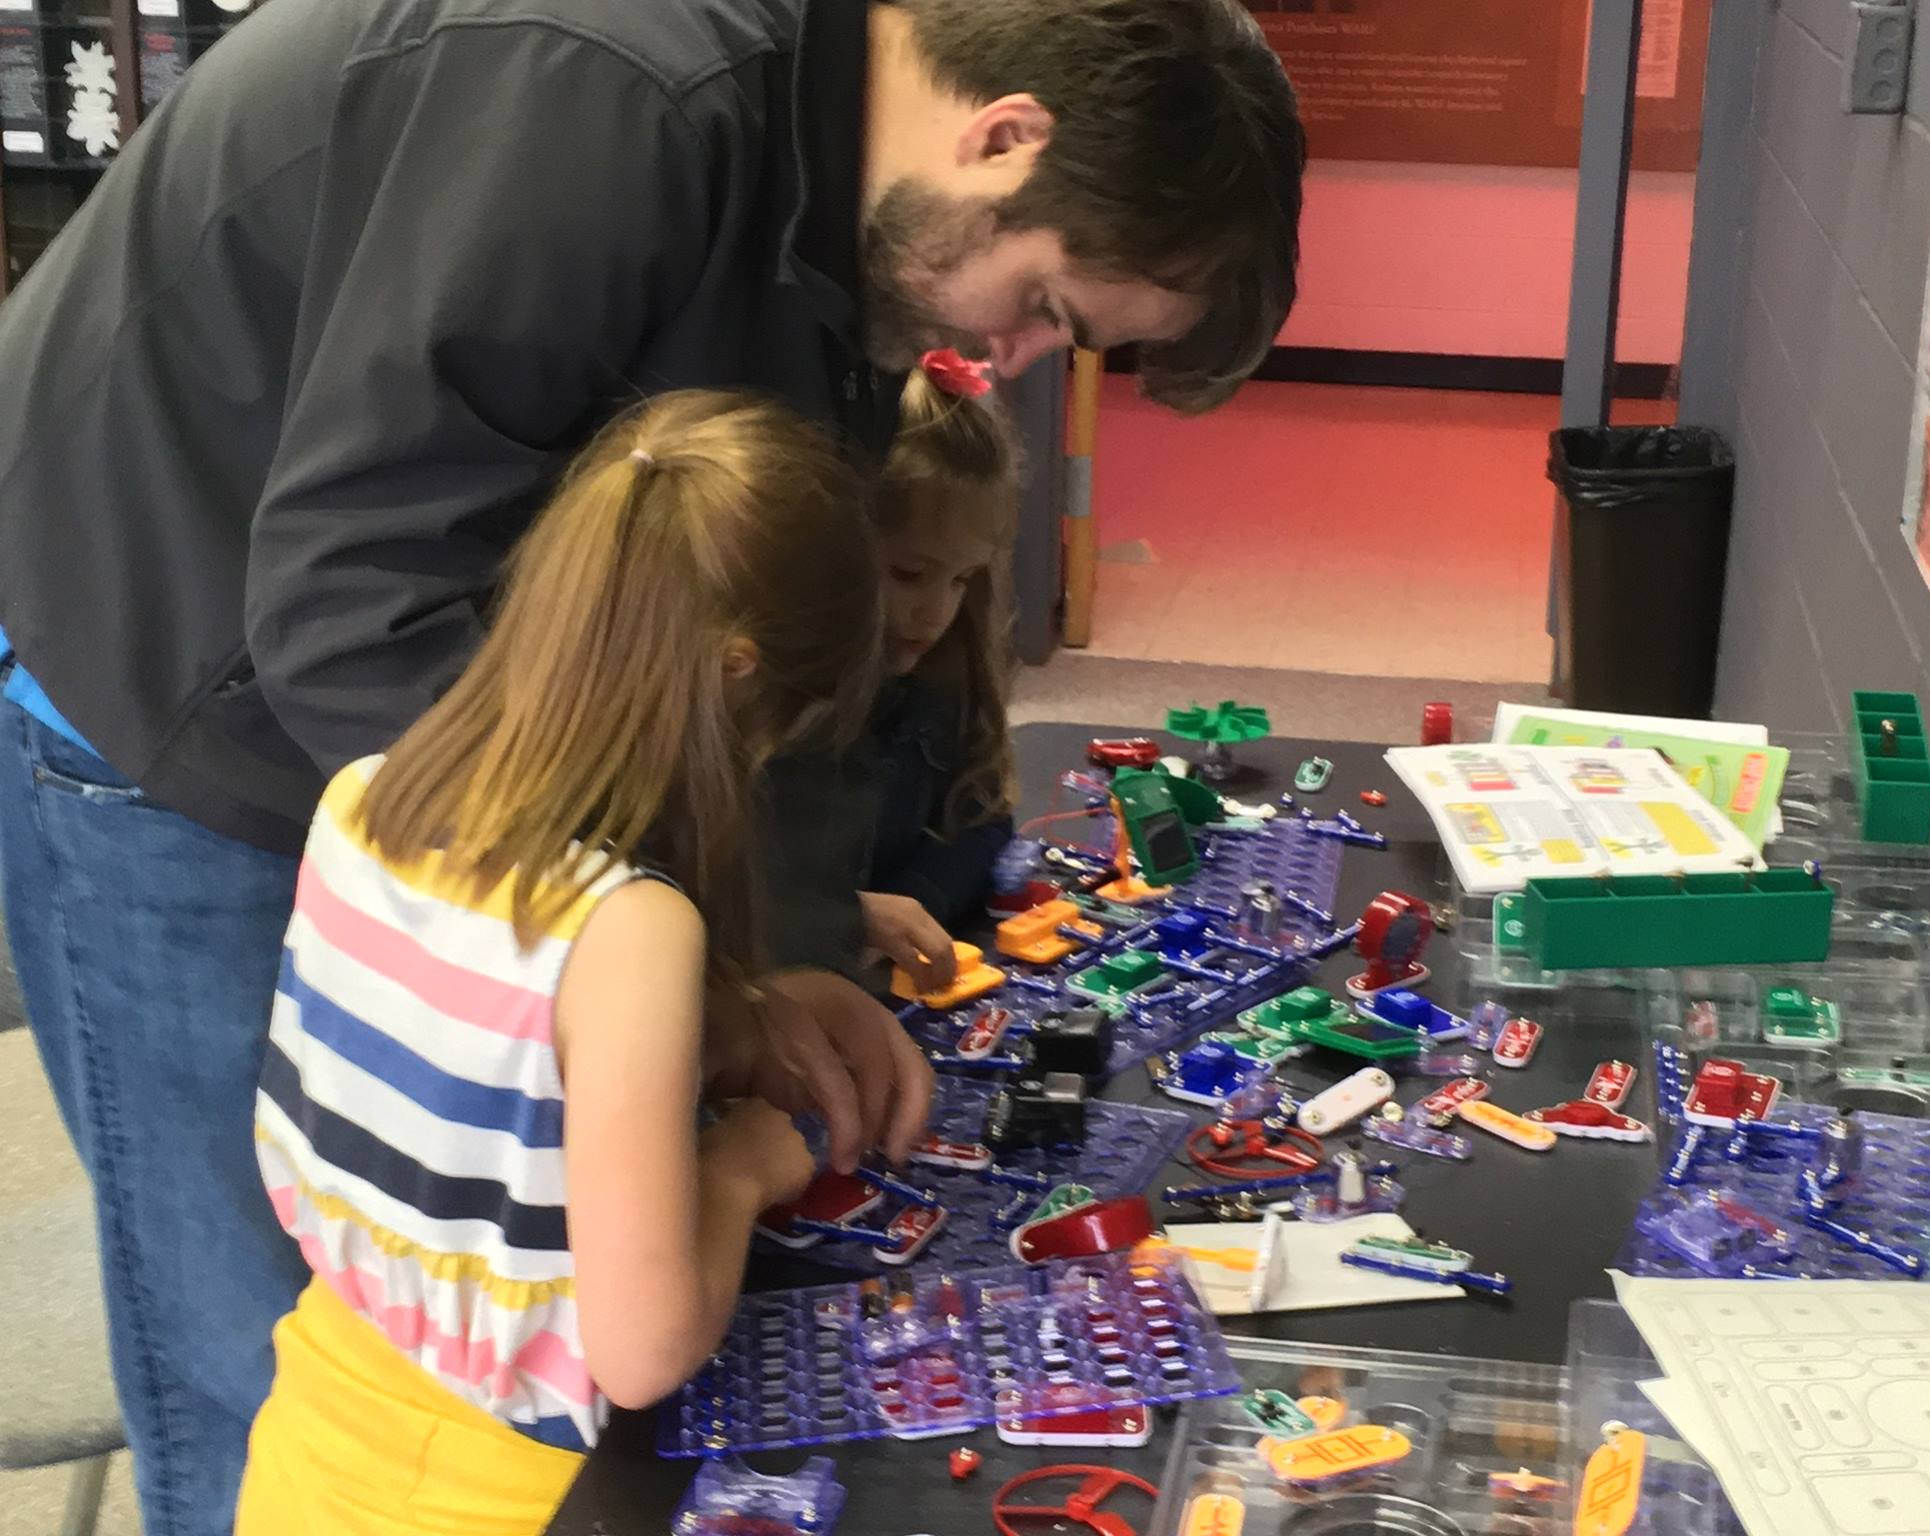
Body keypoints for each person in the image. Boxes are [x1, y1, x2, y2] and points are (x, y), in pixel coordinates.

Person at [0, 0, 1303, 1523]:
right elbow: (360, 610)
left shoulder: (858, 218)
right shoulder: (602, 89)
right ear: (1003, 137)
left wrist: (782, 959)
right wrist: (663, 976)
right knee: (273, 1342)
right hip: (179, 657)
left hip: (395, 693)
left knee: (465, 1291)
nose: (1003, 361)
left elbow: (786, 632)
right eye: (1044, 312)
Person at [234, 390, 877, 1534]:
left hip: (309, 1454)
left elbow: (470, 1079)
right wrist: (738, 1169)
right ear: (737, 674)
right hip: (510, 1501)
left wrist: (729, 1018)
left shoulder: (366, 800)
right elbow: (637, 1353)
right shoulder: (625, 930)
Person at [856, 354, 1023, 985]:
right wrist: (842, 915)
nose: (935, 612)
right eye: (907, 574)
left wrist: (917, 901)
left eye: (961, 579)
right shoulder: (775, 699)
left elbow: (983, 814)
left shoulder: (944, 674)